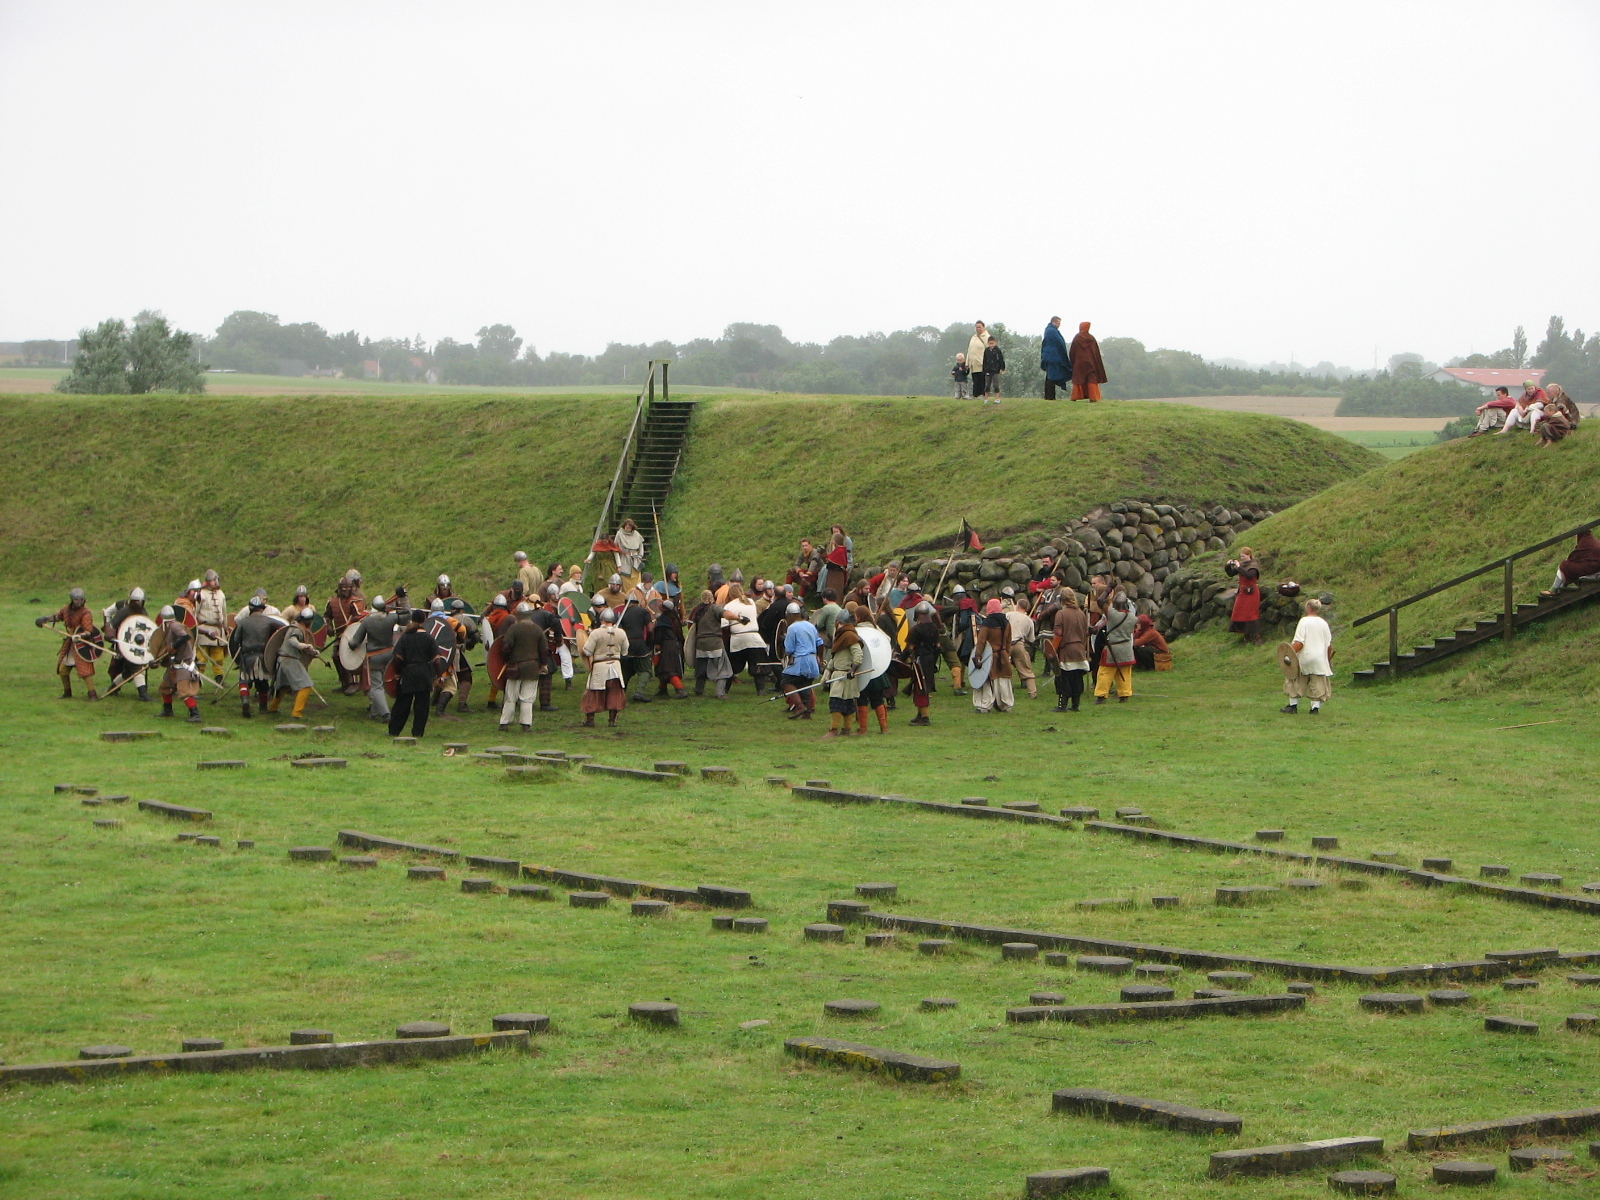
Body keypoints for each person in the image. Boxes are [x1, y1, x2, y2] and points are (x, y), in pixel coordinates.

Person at [37, 587, 100, 701]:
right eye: (76, 600)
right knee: (63, 670)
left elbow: (88, 631)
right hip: (70, 643)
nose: (78, 602)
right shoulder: (66, 609)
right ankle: (67, 692)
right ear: (72, 600)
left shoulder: (85, 613)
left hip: (82, 645)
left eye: (80, 600)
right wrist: (45, 619)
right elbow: (58, 616)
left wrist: (80, 636)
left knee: (85, 671)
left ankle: (92, 694)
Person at [496, 601, 549, 732]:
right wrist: (543, 664)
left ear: (518, 614)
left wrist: (506, 659)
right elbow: (544, 650)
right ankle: (526, 724)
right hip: (532, 667)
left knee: (510, 697)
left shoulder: (513, 628)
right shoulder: (537, 629)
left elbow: (506, 646)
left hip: (515, 666)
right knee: (527, 698)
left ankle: (505, 723)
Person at [387, 609, 439, 738]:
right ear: (424, 620)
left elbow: (398, 658)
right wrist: (437, 675)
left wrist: (399, 672)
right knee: (422, 706)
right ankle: (418, 732)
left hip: (408, 674)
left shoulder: (405, 637)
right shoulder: (429, 638)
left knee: (402, 704)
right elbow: (437, 660)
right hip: (424, 674)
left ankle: (394, 730)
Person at [349, 595, 399, 721]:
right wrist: (403, 598)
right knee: (382, 684)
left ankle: (386, 714)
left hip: (375, 657)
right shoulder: (391, 618)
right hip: (389, 656)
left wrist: (348, 642)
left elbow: (355, 642)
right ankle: (374, 711)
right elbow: (407, 615)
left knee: (377, 687)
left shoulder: (367, 621)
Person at [231, 595, 281, 718]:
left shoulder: (243, 622)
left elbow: (236, 639)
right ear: (262, 609)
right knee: (262, 683)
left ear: (250, 609)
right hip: (262, 656)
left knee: (244, 681)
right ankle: (263, 708)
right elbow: (283, 628)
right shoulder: (268, 621)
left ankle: (245, 700)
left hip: (246, 656)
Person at [1282, 598, 1334, 714]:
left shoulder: (1304, 621)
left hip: (1305, 657)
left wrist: (1289, 655)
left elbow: (1299, 643)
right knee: (1318, 683)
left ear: (1308, 608)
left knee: (1295, 679)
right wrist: (1328, 660)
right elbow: (1329, 645)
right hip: (1320, 658)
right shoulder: (1324, 623)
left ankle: (1293, 706)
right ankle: (1315, 709)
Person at [581, 608, 629, 726]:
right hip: (615, 668)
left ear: (602, 620)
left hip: (600, 667)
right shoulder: (621, 633)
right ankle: (612, 721)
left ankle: (590, 720)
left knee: (594, 693)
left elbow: (587, 651)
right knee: (615, 693)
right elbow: (625, 651)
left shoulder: (596, 633)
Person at [154, 603, 203, 720]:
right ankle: (168, 710)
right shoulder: (169, 628)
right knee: (165, 687)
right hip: (174, 665)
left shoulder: (175, 626)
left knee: (184, 691)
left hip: (183, 665)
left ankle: (195, 714)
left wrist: (174, 646)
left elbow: (185, 637)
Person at [269, 609, 320, 721]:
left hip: (283, 660)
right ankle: (297, 713)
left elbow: (302, 648)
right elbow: (292, 641)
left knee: (284, 686)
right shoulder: (296, 629)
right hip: (290, 660)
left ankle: (273, 708)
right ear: (308, 621)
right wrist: (302, 645)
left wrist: (312, 652)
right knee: (306, 686)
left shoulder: (296, 627)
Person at [821, 611, 865, 738]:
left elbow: (858, 654)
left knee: (841, 703)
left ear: (839, 622)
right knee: (840, 702)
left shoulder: (850, 635)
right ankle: (843, 729)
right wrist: (827, 671)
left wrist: (853, 670)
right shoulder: (841, 636)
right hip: (838, 673)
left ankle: (838, 730)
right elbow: (836, 656)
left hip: (846, 675)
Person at [103, 586, 151, 701]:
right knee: (137, 667)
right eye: (135, 601)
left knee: (128, 672)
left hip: (137, 645)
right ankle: (143, 694)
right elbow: (111, 625)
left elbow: (146, 629)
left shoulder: (143, 612)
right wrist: (110, 634)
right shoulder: (124, 611)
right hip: (124, 645)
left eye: (139, 601)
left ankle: (112, 689)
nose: (137, 603)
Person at [325, 571, 367, 695]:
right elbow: (327, 616)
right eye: (343, 590)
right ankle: (345, 683)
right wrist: (328, 626)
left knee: (349, 658)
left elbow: (359, 616)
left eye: (347, 589)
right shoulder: (333, 602)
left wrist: (353, 620)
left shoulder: (354, 602)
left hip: (352, 635)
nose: (345, 592)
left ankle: (355, 683)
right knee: (336, 657)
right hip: (339, 634)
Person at [780, 601, 824, 719]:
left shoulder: (792, 628)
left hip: (801, 660)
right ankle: (807, 713)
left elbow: (789, 649)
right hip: (812, 660)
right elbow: (820, 643)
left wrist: (785, 645)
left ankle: (800, 706)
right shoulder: (810, 625)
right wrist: (820, 658)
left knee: (786, 681)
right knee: (805, 685)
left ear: (790, 615)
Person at [970, 598, 1013, 713]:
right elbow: (1008, 641)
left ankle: (985, 706)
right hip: (1003, 655)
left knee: (987, 681)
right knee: (1003, 680)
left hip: (989, 657)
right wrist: (1007, 654)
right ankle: (1006, 704)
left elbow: (981, 642)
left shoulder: (987, 624)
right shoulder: (1006, 622)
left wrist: (978, 656)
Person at [1093, 590, 1137, 703]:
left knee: (1105, 673)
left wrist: (1108, 589)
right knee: (1125, 673)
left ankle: (1101, 696)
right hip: (1126, 648)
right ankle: (1124, 695)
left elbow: (1100, 601)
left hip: (1112, 647)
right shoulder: (1133, 618)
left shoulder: (1113, 614)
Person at [1051, 590, 1091, 712]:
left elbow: (1058, 633)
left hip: (1066, 649)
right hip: (1079, 649)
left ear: (1062, 600)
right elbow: (1086, 633)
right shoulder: (1081, 614)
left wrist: (1053, 649)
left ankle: (1062, 705)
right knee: (1077, 678)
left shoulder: (1061, 613)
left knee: (1064, 678)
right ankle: (1075, 705)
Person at [722, 582, 764, 692]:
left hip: (738, 639)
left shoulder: (728, 606)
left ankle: (725, 690)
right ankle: (761, 691)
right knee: (757, 665)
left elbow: (724, 626)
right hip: (754, 638)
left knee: (731, 666)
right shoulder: (751, 602)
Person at [691, 590, 733, 696]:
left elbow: (691, 626)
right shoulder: (714, 608)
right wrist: (739, 618)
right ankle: (720, 693)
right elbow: (725, 614)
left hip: (700, 643)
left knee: (701, 669)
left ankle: (699, 691)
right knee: (723, 668)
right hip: (715, 643)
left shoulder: (697, 609)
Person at [906, 601, 941, 725]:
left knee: (921, 688)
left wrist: (902, 658)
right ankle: (920, 714)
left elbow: (910, 648)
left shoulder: (915, 629)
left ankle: (925, 718)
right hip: (929, 660)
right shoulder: (934, 628)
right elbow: (938, 647)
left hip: (920, 661)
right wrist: (933, 661)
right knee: (919, 687)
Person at [193, 569, 230, 686]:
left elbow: (224, 612)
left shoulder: (221, 594)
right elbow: (195, 613)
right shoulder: (200, 594)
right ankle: (197, 680)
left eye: (216, 580)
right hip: (204, 629)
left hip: (218, 630)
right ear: (209, 581)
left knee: (218, 657)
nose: (216, 582)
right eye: (214, 580)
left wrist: (226, 628)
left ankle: (219, 678)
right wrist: (196, 627)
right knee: (201, 658)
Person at [617, 592, 655, 703]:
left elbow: (619, 631)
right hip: (639, 644)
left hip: (626, 645)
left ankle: (620, 692)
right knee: (645, 670)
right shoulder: (643, 612)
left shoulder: (622, 614)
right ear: (637, 602)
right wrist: (649, 643)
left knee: (626, 671)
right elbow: (650, 629)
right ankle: (639, 692)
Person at [1544, 527, 1600, 596]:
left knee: (1564, 566)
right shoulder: (1593, 541)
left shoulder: (1584, 542)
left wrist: (1568, 561)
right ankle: (1559, 589)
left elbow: (1575, 556)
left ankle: (1554, 590)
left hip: (1592, 569)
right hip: (1596, 570)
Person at [1003, 589, 1038, 698]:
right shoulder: (1029, 620)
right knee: (1026, 669)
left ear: (1017, 606)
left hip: (1007, 644)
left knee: (1005, 669)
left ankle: (1008, 692)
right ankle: (1033, 693)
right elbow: (1031, 639)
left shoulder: (1008, 614)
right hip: (1019, 645)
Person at [650, 597, 687, 698]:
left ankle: (681, 690)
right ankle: (663, 690)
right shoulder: (675, 618)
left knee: (668, 669)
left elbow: (659, 635)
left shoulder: (663, 620)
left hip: (667, 647)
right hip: (676, 646)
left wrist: (657, 644)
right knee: (661, 668)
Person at [1225, 548, 1263, 645]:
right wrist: (1228, 566)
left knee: (1251, 614)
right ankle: (1247, 637)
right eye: (1241, 556)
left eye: (1243, 556)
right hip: (1242, 592)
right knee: (1240, 612)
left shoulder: (1253, 565)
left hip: (1251, 593)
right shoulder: (1242, 565)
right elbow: (1231, 574)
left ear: (1249, 555)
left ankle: (1258, 637)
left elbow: (1249, 575)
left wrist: (1238, 567)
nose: (1242, 558)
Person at [1069, 321, 1108, 402]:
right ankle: (1093, 397)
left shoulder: (1077, 338)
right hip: (1091, 363)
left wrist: (1073, 362)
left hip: (1079, 362)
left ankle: (1075, 397)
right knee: (1092, 379)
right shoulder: (1091, 338)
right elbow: (1096, 352)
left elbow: (1072, 352)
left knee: (1078, 378)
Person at [1040, 316, 1072, 400]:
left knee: (1050, 376)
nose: (1059, 325)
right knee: (1052, 376)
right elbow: (1059, 343)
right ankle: (1050, 396)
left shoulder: (1049, 330)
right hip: (1052, 357)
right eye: (1058, 323)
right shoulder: (1051, 331)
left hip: (1050, 356)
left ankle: (1049, 396)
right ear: (1053, 322)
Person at [612, 518, 647, 589]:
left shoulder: (636, 534)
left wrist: (640, 556)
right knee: (625, 580)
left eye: (630, 527)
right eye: (627, 526)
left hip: (635, 561)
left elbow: (641, 545)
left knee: (636, 581)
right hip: (624, 560)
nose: (628, 528)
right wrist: (619, 565)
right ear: (624, 526)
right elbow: (615, 549)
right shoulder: (619, 534)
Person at [821, 527, 853, 599]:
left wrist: (825, 555)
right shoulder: (840, 549)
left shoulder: (840, 550)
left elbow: (830, 560)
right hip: (833, 574)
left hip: (836, 575)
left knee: (836, 593)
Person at [966, 321, 990, 400]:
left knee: (982, 380)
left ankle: (982, 394)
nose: (978, 329)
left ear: (983, 327)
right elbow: (969, 350)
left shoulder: (987, 337)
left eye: (979, 327)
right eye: (976, 327)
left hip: (982, 363)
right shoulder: (973, 337)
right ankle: (975, 395)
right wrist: (967, 362)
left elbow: (989, 350)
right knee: (975, 380)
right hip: (973, 363)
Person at [982, 335, 1006, 405]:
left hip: (996, 370)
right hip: (988, 370)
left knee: (996, 385)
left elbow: (1001, 359)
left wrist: (1002, 368)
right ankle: (986, 399)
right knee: (987, 385)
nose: (991, 345)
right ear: (988, 343)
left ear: (995, 343)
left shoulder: (998, 350)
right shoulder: (986, 351)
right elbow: (984, 360)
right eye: (990, 343)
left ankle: (997, 398)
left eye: (992, 343)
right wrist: (984, 369)